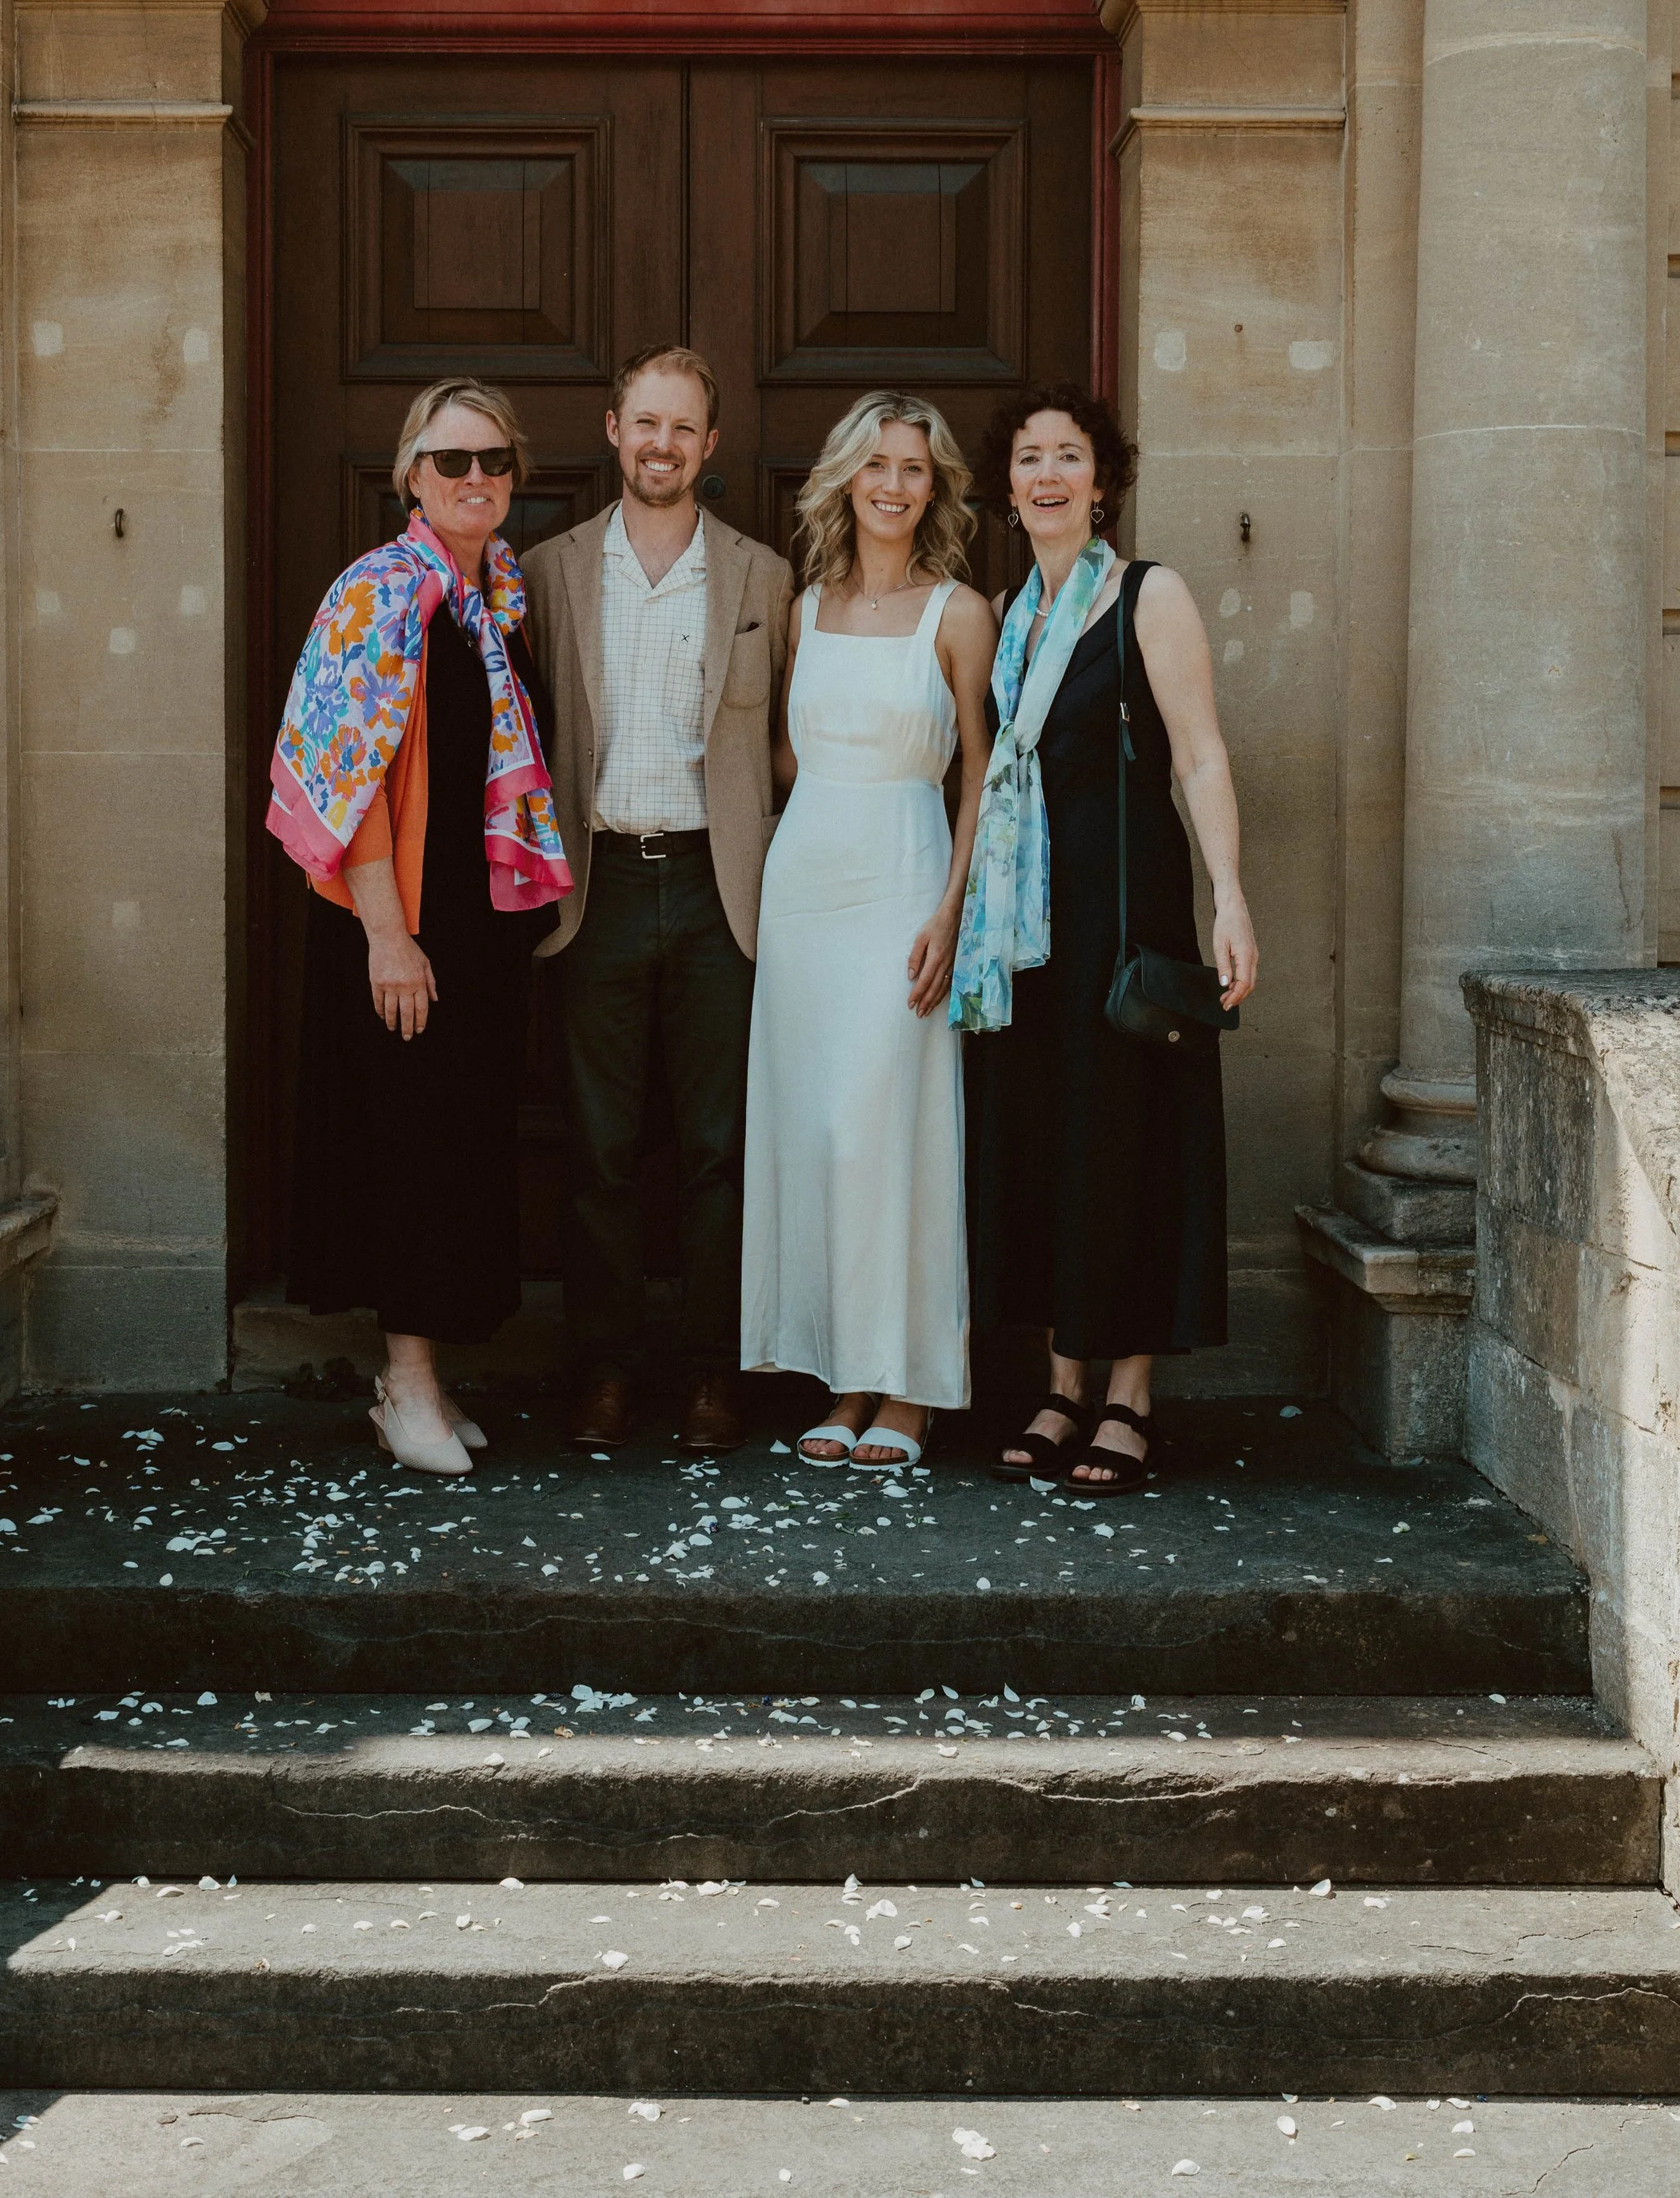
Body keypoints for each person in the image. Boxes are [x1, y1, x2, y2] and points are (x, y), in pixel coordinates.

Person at [952, 382, 1258, 1493]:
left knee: (1128, 1144)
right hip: (1027, 931)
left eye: (1068, 456)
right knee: (1050, 1146)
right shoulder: (1010, 607)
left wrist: (1229, 895)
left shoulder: (1147, 593)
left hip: (1124, 920)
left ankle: (1129, 1398)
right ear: (1008, 483)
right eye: (1029, 457)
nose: (1047, 475)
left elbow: (1200, 755)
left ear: (1101, 477)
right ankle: (1060, 1384)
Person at [267, 377, 572, 1477]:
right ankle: (405, 1384)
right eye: (453, 462)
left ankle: (430, 1373)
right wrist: (388, 938)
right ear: (412, 475)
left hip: (477, 923)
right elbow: (343, 779)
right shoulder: (380, 596)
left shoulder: (500, 597)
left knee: (457, 1147)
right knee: (406, 1149)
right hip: (396, 920)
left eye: (494, 462)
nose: (476, 479)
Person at [524, 346, 793, 1455]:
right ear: (612, 428)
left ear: (710, 444)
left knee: (722, 1149)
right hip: (595, 886)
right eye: (645, 423)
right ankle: (604, 1367)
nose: (662, 445)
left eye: (683, 428)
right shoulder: (546, 572)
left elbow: (786, 744)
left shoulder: (763, 578)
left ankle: (713, 1374)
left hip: (717, 885)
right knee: (598, 1149)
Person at [740, 391, 996, 1470]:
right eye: (878, 465)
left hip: (907, 878)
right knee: (819, 1137)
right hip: (805, 889)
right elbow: (790, 762)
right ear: (847, 477)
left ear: (934, 488)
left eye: (915, 468)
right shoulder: (807, 608)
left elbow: (982, 771)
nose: (894, 484)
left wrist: (954, 908)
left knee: (894, 1130)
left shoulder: (961, 612)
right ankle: (842, 1378)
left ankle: (911, 1387)